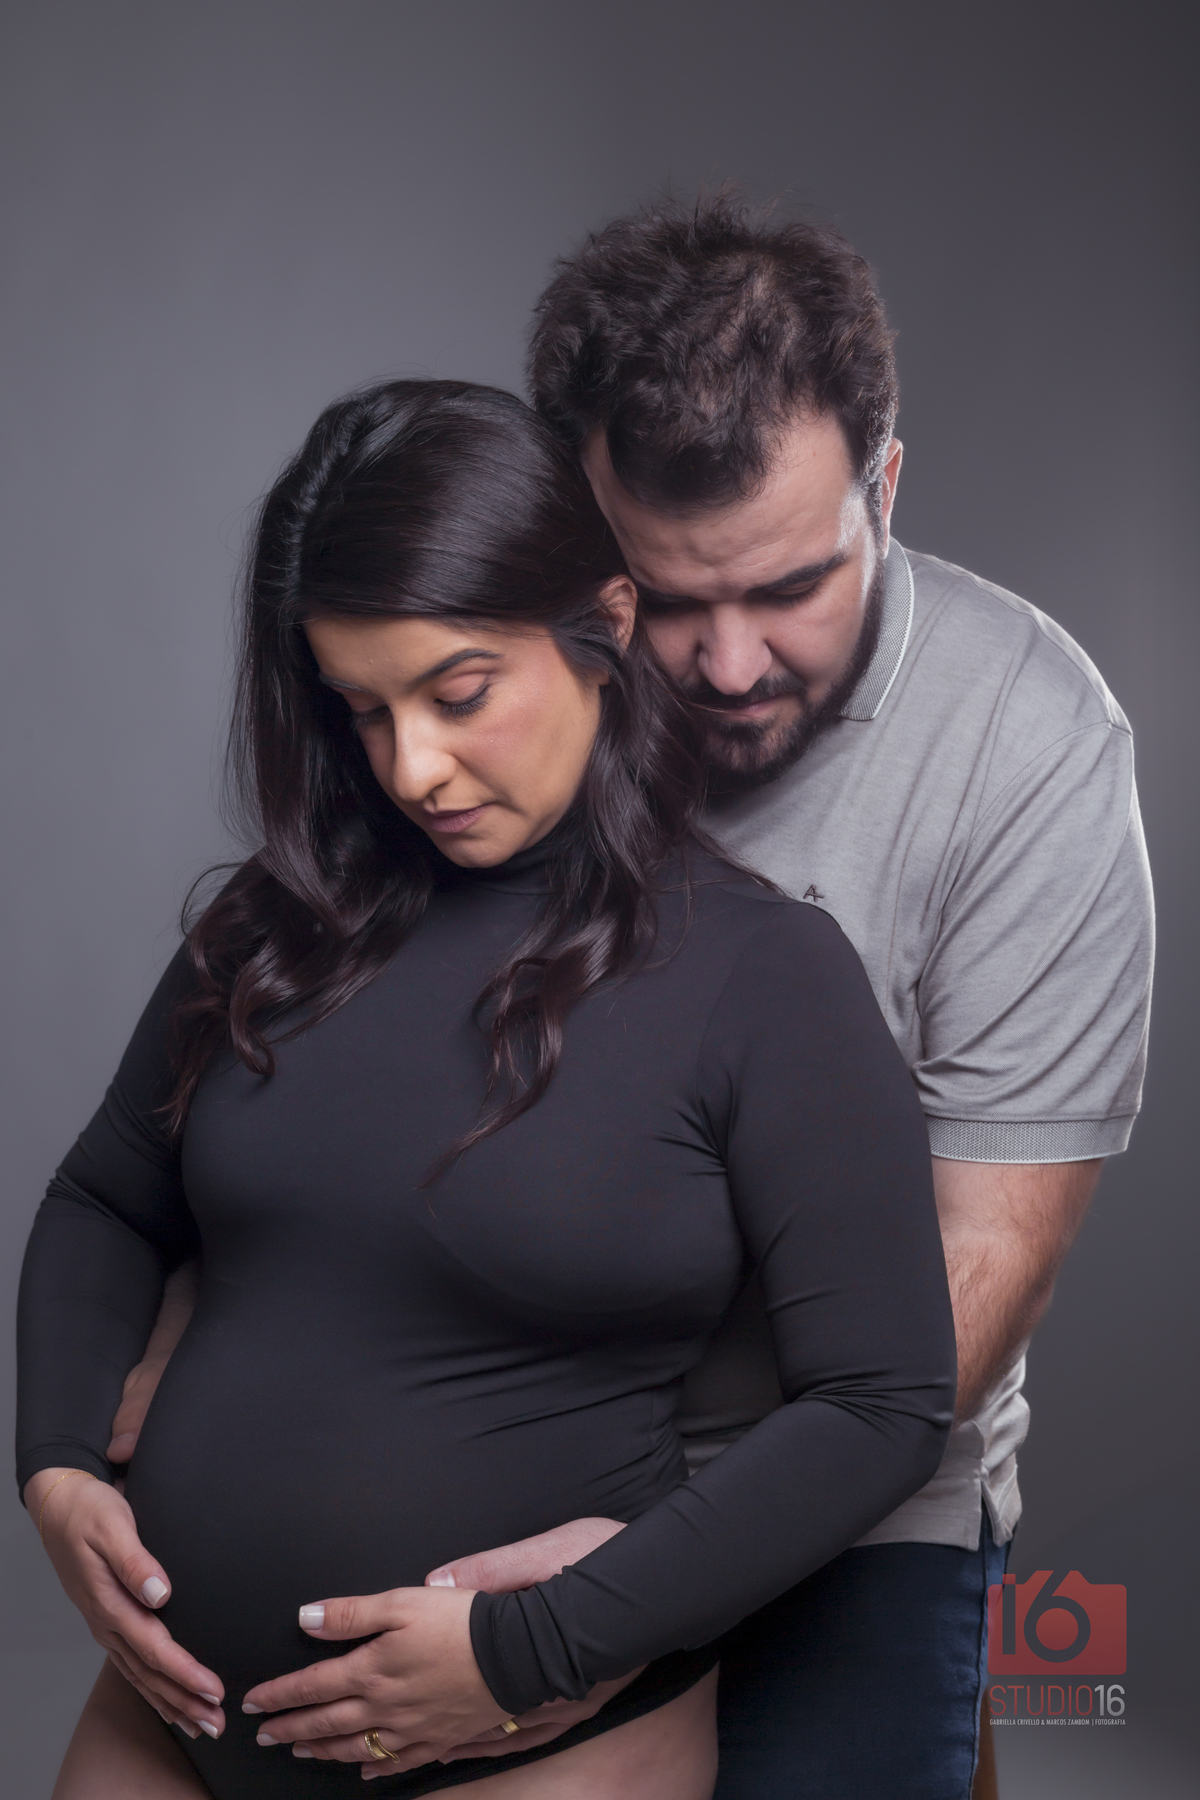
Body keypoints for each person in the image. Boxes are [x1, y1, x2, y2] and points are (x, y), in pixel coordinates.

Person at [16, 380, 957, 1798]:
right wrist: (55, 1463)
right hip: (169, 1724)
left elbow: (884, 1400)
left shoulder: (762, 975)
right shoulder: (281, 920)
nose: (414, 768)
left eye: (459, 696)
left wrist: (537, 1647)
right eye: (363, 710)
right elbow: (103, 1198)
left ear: (606, 626)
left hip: (525, 1745)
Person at [362, 197, 1156, 1797]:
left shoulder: (1032, 744)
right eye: (666, 599)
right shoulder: (484, 698)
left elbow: (979, 1263)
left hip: (851, 1487)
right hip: (492, 1421)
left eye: (792, 586)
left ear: (886, 488)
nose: (729, 667)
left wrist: (636, 1585)